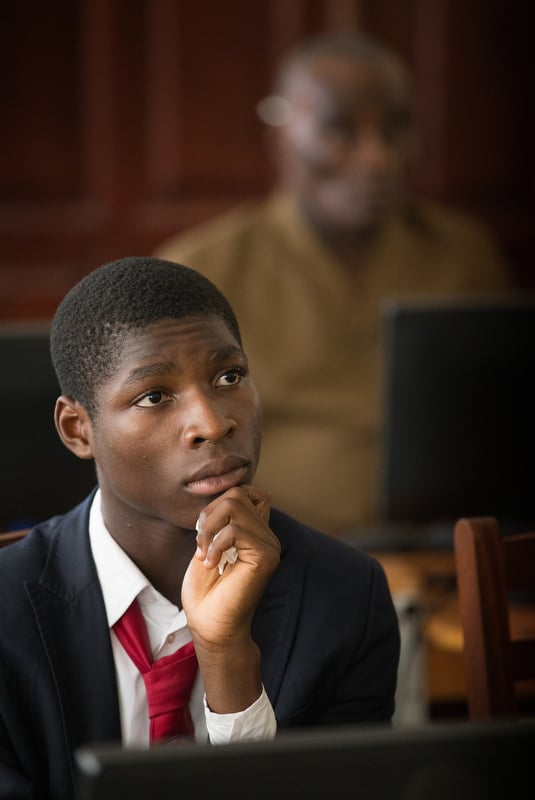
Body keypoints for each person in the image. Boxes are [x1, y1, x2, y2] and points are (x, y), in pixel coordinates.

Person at [0, 256, 400, 800]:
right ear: (78, 430)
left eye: (228, 376)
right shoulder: (6, 613)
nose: (213, 424)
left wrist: (228, 658)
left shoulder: (347, 597)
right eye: (155, 397)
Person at [154, 31, 514, 537]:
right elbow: (163, 449)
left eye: (395, 130)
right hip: (275, 549)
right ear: (280, 142)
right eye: (340, 131)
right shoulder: (200, 269)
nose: (377, 158)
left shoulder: (462, 253)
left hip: (445, 542)